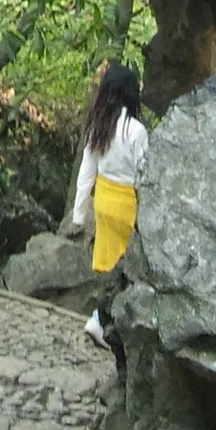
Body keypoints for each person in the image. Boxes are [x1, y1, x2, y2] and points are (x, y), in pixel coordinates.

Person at [70, 59, 149, 347]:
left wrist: (79, 214)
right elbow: (145, 173)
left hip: (103, 200)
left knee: (106, 263)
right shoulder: (136, 130)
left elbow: (85, 172)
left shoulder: (98, 127)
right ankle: (102, 320)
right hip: (128, 203)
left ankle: (100, 318)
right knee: (127, 268)